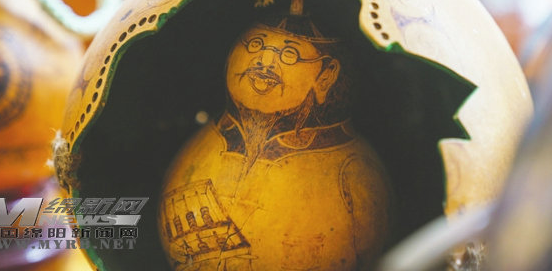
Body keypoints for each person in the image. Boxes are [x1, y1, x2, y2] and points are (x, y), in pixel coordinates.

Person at [159, 15, 392, 271]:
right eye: (255, 45)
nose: (265, 61)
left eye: (289, 55)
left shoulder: (351, 169)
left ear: (326, 76)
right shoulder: (205, 144)